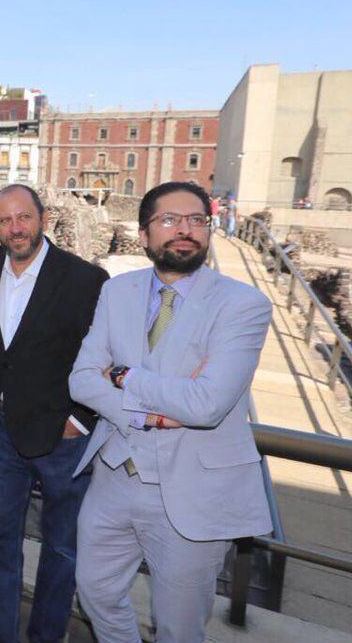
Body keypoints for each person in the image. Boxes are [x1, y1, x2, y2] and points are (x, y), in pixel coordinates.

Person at [69, 181, 272, 642]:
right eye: (169, 220)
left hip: (193, 489)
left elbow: (206, 405)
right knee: (95, 591)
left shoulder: (244, 304)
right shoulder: (116, 291)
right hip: (114, 476)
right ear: (144, 235)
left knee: (179, 626)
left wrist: (122, 377)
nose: (185, 230)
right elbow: (81, 379)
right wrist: (153, 412)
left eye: (196, 220)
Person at [0, 184, 108, 643]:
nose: (15, 229)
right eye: (5, 221)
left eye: (23, 218)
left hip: (62, 437)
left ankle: (46, 636)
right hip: (0, 433)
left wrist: (82, 419)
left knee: (62, 549)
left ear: (42, 218)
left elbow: (104, 356)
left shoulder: (85, 279)